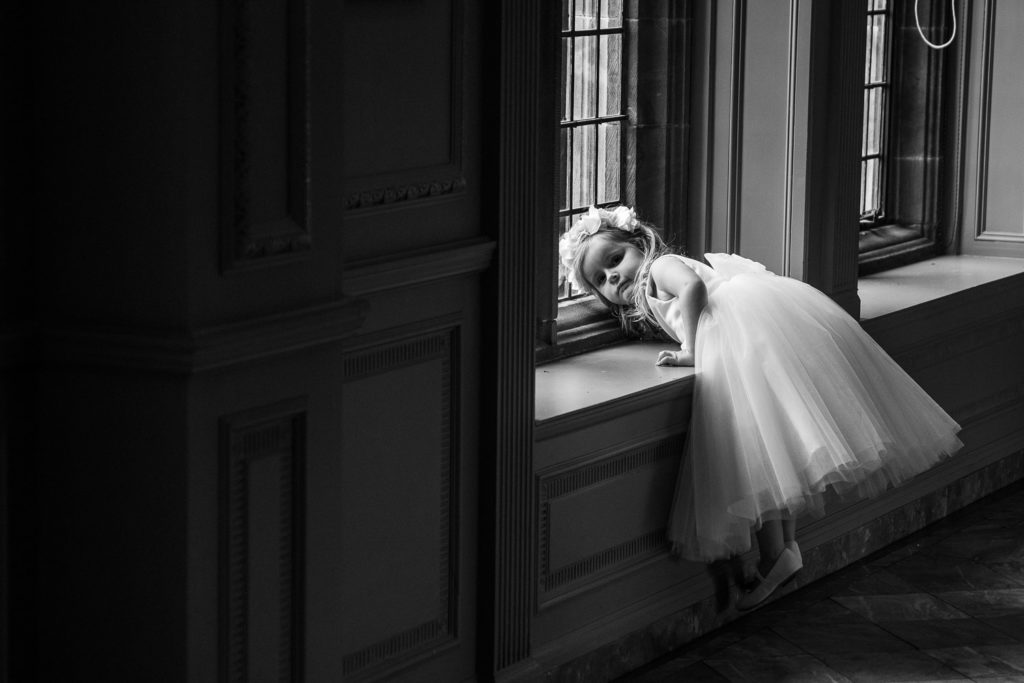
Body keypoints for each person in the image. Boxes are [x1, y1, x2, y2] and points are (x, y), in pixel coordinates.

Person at [558, 205, 963, 611]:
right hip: (744, 340)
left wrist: (691, 350)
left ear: (638, 243)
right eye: (601, 280)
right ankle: (783, 550)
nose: (613, 277)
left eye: (615, 260)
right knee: (773, 456)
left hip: (740, 341)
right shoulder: (648, 284)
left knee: (758, 455)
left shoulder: (661, 267)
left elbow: (693, 290)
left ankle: (776, 554)